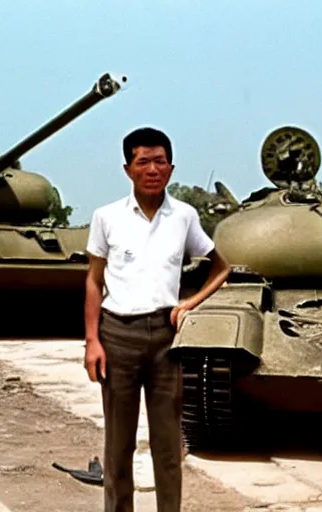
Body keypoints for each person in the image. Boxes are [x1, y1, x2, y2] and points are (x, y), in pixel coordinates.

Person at [83, 127, 231, 512]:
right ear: (128, 169)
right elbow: (93, 281)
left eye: (160, 161)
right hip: (118, 335)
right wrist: (93, 342)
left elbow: (221, 268)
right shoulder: (107, 217)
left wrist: (189, 303)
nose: (153, 169)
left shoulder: (184, 217)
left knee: (168, 447)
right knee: (118, 448)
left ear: (171, 167)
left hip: (166, 339)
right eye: (143, 161)